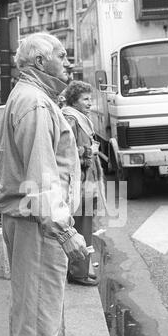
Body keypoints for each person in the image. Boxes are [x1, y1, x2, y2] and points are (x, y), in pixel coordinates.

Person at [0, 33, 88, 336]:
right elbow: (42, 180)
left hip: (30, 220)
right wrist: (67, 233)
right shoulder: (35, 103)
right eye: (62, 57)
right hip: (38, 224)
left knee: (32, 308)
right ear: (38, 62)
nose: (68, 63)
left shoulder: (30, 97)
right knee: (37, 310)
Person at [62, 81, 105, 286]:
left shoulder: (79, 117)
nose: (89, 103)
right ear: (74, 100)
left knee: (86, 225)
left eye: (90, 98)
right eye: (85, 99)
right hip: (79, 183)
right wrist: (89, 154)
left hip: (86, 180)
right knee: (81, 226)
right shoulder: (70, 118)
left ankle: (82, 268)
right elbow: (66, 153)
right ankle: (78, 273)